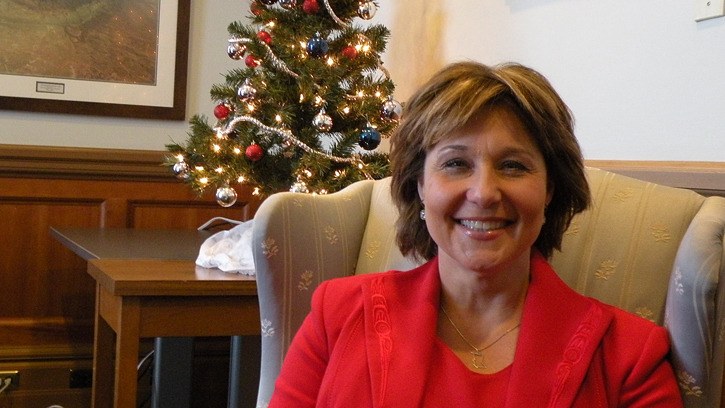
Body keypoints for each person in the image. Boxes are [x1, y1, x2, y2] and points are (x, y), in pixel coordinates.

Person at [268, 61, 683, 407]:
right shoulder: (337, 316)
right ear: (419, 185)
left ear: (550, 190)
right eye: (455, 164)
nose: (484, 193)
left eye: (514, 166)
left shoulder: (629, 355)